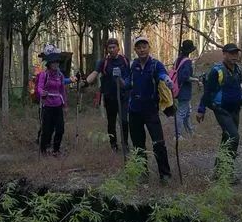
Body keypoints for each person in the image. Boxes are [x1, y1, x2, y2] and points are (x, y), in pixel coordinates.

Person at [123, 36, 172, 183]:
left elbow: (162, 75)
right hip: (134, 110)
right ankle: (142, 173)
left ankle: (165, 174)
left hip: (151, 110)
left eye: (144, 46)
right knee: (138, 144)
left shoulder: (156, 65)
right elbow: (127, 84)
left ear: (149, 48)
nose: (142, 49)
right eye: (138, 47)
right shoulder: (133, 66)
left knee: (158, 143)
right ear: (135, 50)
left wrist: (167, 80)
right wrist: (118, 79)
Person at [197, 42, 242, 176]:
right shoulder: (216, 70)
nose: (234, 56)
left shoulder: (238, 69)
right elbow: (207, 91)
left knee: (227, 138)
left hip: (235, 109)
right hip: (221, 110)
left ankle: (218, 171)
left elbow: (238, 89)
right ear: (224, 54)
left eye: (236, 53)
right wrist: (201, 109)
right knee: (234, 137)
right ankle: (227, 171)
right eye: (231, 53)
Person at [81, 38, 130, 152]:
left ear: (118, 48)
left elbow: (129, 75)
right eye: (110, 48)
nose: (112, 50)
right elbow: (95, 73)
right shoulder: (103, 62)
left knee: (124, 121)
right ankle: (113, 145)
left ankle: (125, 144)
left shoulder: (125, 60)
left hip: (123, 96)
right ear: (107, 49)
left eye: (114, 47)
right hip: (109, 96)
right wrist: (86, 82)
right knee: (111, 122)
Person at [36, 51, 68, 156]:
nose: (56, 64)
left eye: (57, 62)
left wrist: (65, 105)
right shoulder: (44, 75)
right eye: (53, 63)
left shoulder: (60, 76)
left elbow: (62, 90)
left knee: (60, 129)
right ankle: (43, 150)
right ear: (49, 64)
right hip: (47, 106)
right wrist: (42, 93)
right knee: (47, 130)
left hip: (58, 105)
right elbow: (39, 87)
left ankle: (56, 150)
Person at [172, 39, 196, 138]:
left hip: (177, 88)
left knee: (186, 112)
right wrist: (195, 79)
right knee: (182, 112)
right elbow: (185, 77)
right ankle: (177, 135)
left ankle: (190, 132)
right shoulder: (187, 62)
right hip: (184, 90)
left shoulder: (178, 59)